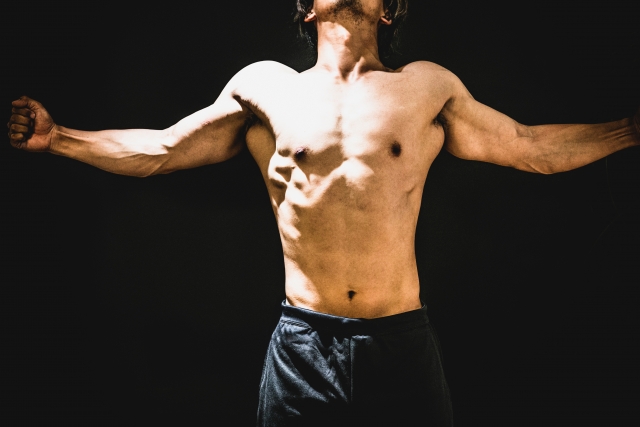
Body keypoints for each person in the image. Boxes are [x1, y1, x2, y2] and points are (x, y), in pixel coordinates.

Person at [7, 0, 639, 425]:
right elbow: (163, 150)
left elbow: (529, 148)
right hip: (303, 347)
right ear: (307, 8)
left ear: (389, 9)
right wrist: (59, 138)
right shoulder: (266, 88)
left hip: (401, 343)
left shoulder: (427, 87)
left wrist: (630, 130)